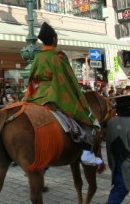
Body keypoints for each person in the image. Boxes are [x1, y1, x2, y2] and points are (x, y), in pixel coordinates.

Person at [25, 22, 102, 166]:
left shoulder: (38, 57)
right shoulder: (58, 56)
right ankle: (86, 152)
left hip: (36, 96)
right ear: (54, 39)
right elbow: (68, 79)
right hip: (53, 94)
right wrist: (76, 95)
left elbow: (31, 79)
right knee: (82, 116)